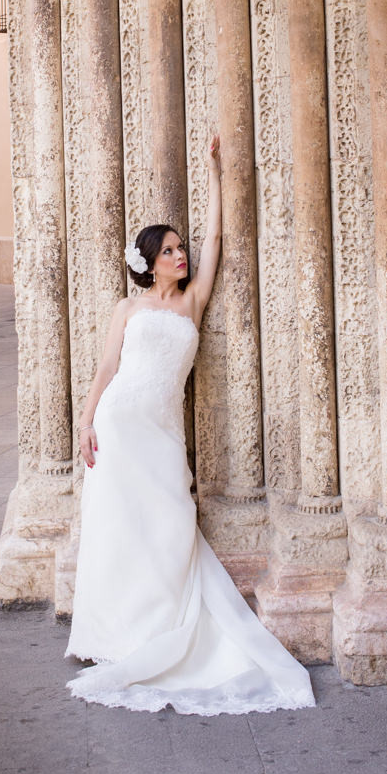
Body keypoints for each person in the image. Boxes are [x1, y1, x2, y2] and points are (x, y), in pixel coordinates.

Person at [65, 137, 315, 715]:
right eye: (172, 250)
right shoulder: (127, 310)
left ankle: (163, 628)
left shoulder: (193, 301)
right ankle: (117, 634)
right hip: (120, 424)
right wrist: (85, 420)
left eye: (182, 248)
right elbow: (107, 367)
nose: (182, 255)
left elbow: (219, 239)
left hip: (162, 435)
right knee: (119, 525)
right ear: (150, 262)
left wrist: (216, 175)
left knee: (172, 523)